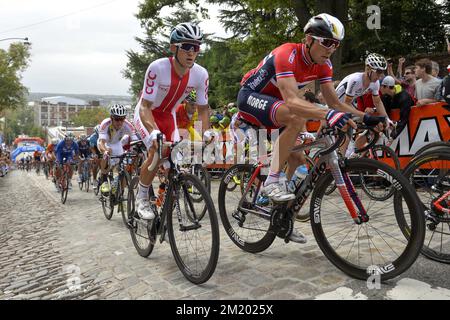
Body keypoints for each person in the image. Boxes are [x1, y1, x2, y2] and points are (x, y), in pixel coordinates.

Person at [236, 13, 384, 243]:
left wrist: (366, 117)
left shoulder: (324, 65)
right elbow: (294, 102)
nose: (331, 49)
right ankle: (271, 181)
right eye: (326, 42)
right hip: (251, 97)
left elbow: (335, 102)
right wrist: (329, 114)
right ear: (309, 39)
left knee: (298, 160)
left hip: (279, 106)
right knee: (295, 117)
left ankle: (282, 218)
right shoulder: (287, 54)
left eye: (335, 44)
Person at [133, 22, 211, 220]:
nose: (192, 52)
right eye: (186, 46)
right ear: (173, 47)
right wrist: (153, 131)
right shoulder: (157, 68)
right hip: (148, 114)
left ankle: (165, 205)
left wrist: (206, 132)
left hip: (169, 117)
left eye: (196, 47)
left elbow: (203, 110)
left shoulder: (201, 74)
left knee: (175, 163)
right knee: (157, 151)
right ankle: (141, 198)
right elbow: (145, 106)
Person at [98, 104, 136, 193]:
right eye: (117, 119)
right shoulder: (105, 124)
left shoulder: (127, 125)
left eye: (122, 119)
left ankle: (121, 194)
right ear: (111, 118)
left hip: (117, 143)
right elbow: (101, 143)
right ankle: (103, 179)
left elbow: (135, 139)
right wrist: (105, 150)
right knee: (107, 153)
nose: (119, 122)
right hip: (106, 143)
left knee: (124, 167)